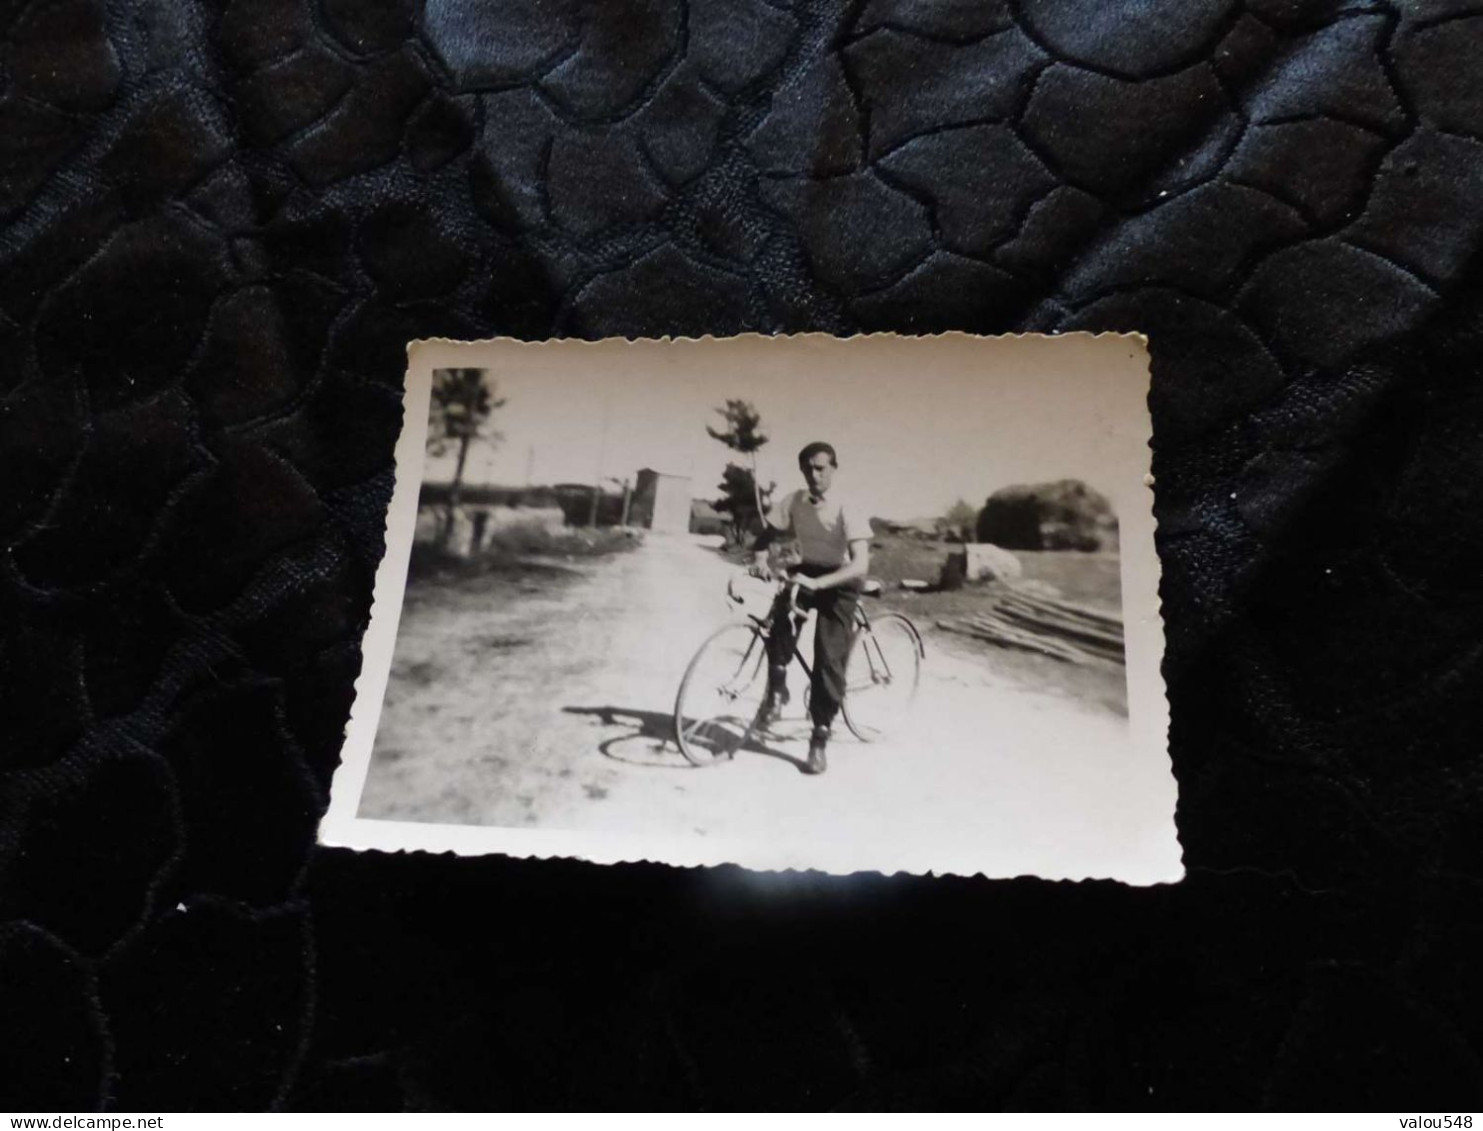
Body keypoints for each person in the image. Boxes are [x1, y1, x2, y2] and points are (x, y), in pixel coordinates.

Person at [748, 441, 872, 775]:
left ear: (833, 468)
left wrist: (820, 584)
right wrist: (760, 558)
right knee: (778, 621)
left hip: (840, 579)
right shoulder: (794, 501)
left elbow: (860, 564)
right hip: (807, 571)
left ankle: (819, 739)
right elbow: (766, 537)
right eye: (808, 468)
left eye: (821, 468)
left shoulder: (848, 505)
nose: (814, 475)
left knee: (828, 657)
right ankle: (777, 692)